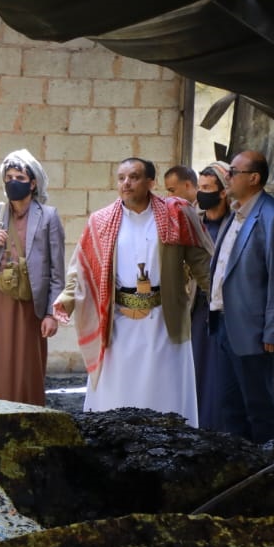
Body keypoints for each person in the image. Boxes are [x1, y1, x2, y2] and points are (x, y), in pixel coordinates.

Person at [53, 157, 211, 425]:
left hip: (164, 320)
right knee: (117, 395)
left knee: (165, 393)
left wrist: (223, 300)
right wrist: (66, 301)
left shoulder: (176, 214)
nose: (126, 183)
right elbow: (80, 269)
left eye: (134, 177)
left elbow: (202, 264)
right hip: (119, 323)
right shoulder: (101, 221)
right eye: (121, 178)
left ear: (150, 182)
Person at [208, 149, 274, 443]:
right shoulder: (236, 213)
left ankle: (267, 459)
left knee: (257, 405)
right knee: (230, 404)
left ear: (253, 178)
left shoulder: (272, 216)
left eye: (233, 172)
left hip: (254, 329)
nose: (227, 177)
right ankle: (240, 459)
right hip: (224, 321)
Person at [0, 148, 65, 405]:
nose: (13, 182)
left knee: (26, 367)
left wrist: (52, 314)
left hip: (31, 305)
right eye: (8, 177)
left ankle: (26, 416)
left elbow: (57, 272)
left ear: (33, 183)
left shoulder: (48, 216)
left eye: (20, 178)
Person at [191, 161, 233, 431]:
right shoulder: (195, 223)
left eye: (207, 188)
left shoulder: (236, 224)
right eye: (199, 187)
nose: (201, 193)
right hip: (197, 308)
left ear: (223, 192)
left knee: (222, 370)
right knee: (198, 366)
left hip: (227, 309)